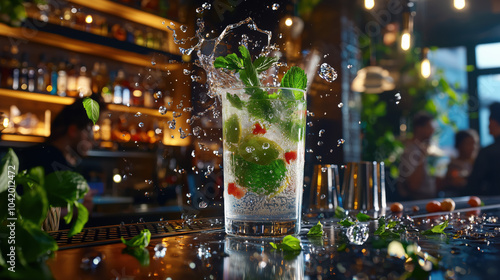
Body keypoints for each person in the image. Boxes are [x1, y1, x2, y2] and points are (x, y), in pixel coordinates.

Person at [17, 97, 99, 231]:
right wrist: (78, 209)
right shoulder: (45, 160)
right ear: (73, 130)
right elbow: (31, 216)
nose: (94, 141)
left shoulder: (61, 160)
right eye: (90, 132)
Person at [397, 112, 438, 200]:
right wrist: (422, 157)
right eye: (429, 127)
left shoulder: (419, 148)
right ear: (419, 129)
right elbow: (413, 185)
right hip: (416, 202)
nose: (432, 131)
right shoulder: (411, 150)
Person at [465, 102, 500, 196]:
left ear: (494, 122)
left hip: (493, 205)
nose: (488, 125)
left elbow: (474, 185)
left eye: (489, 121)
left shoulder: (487, 152)